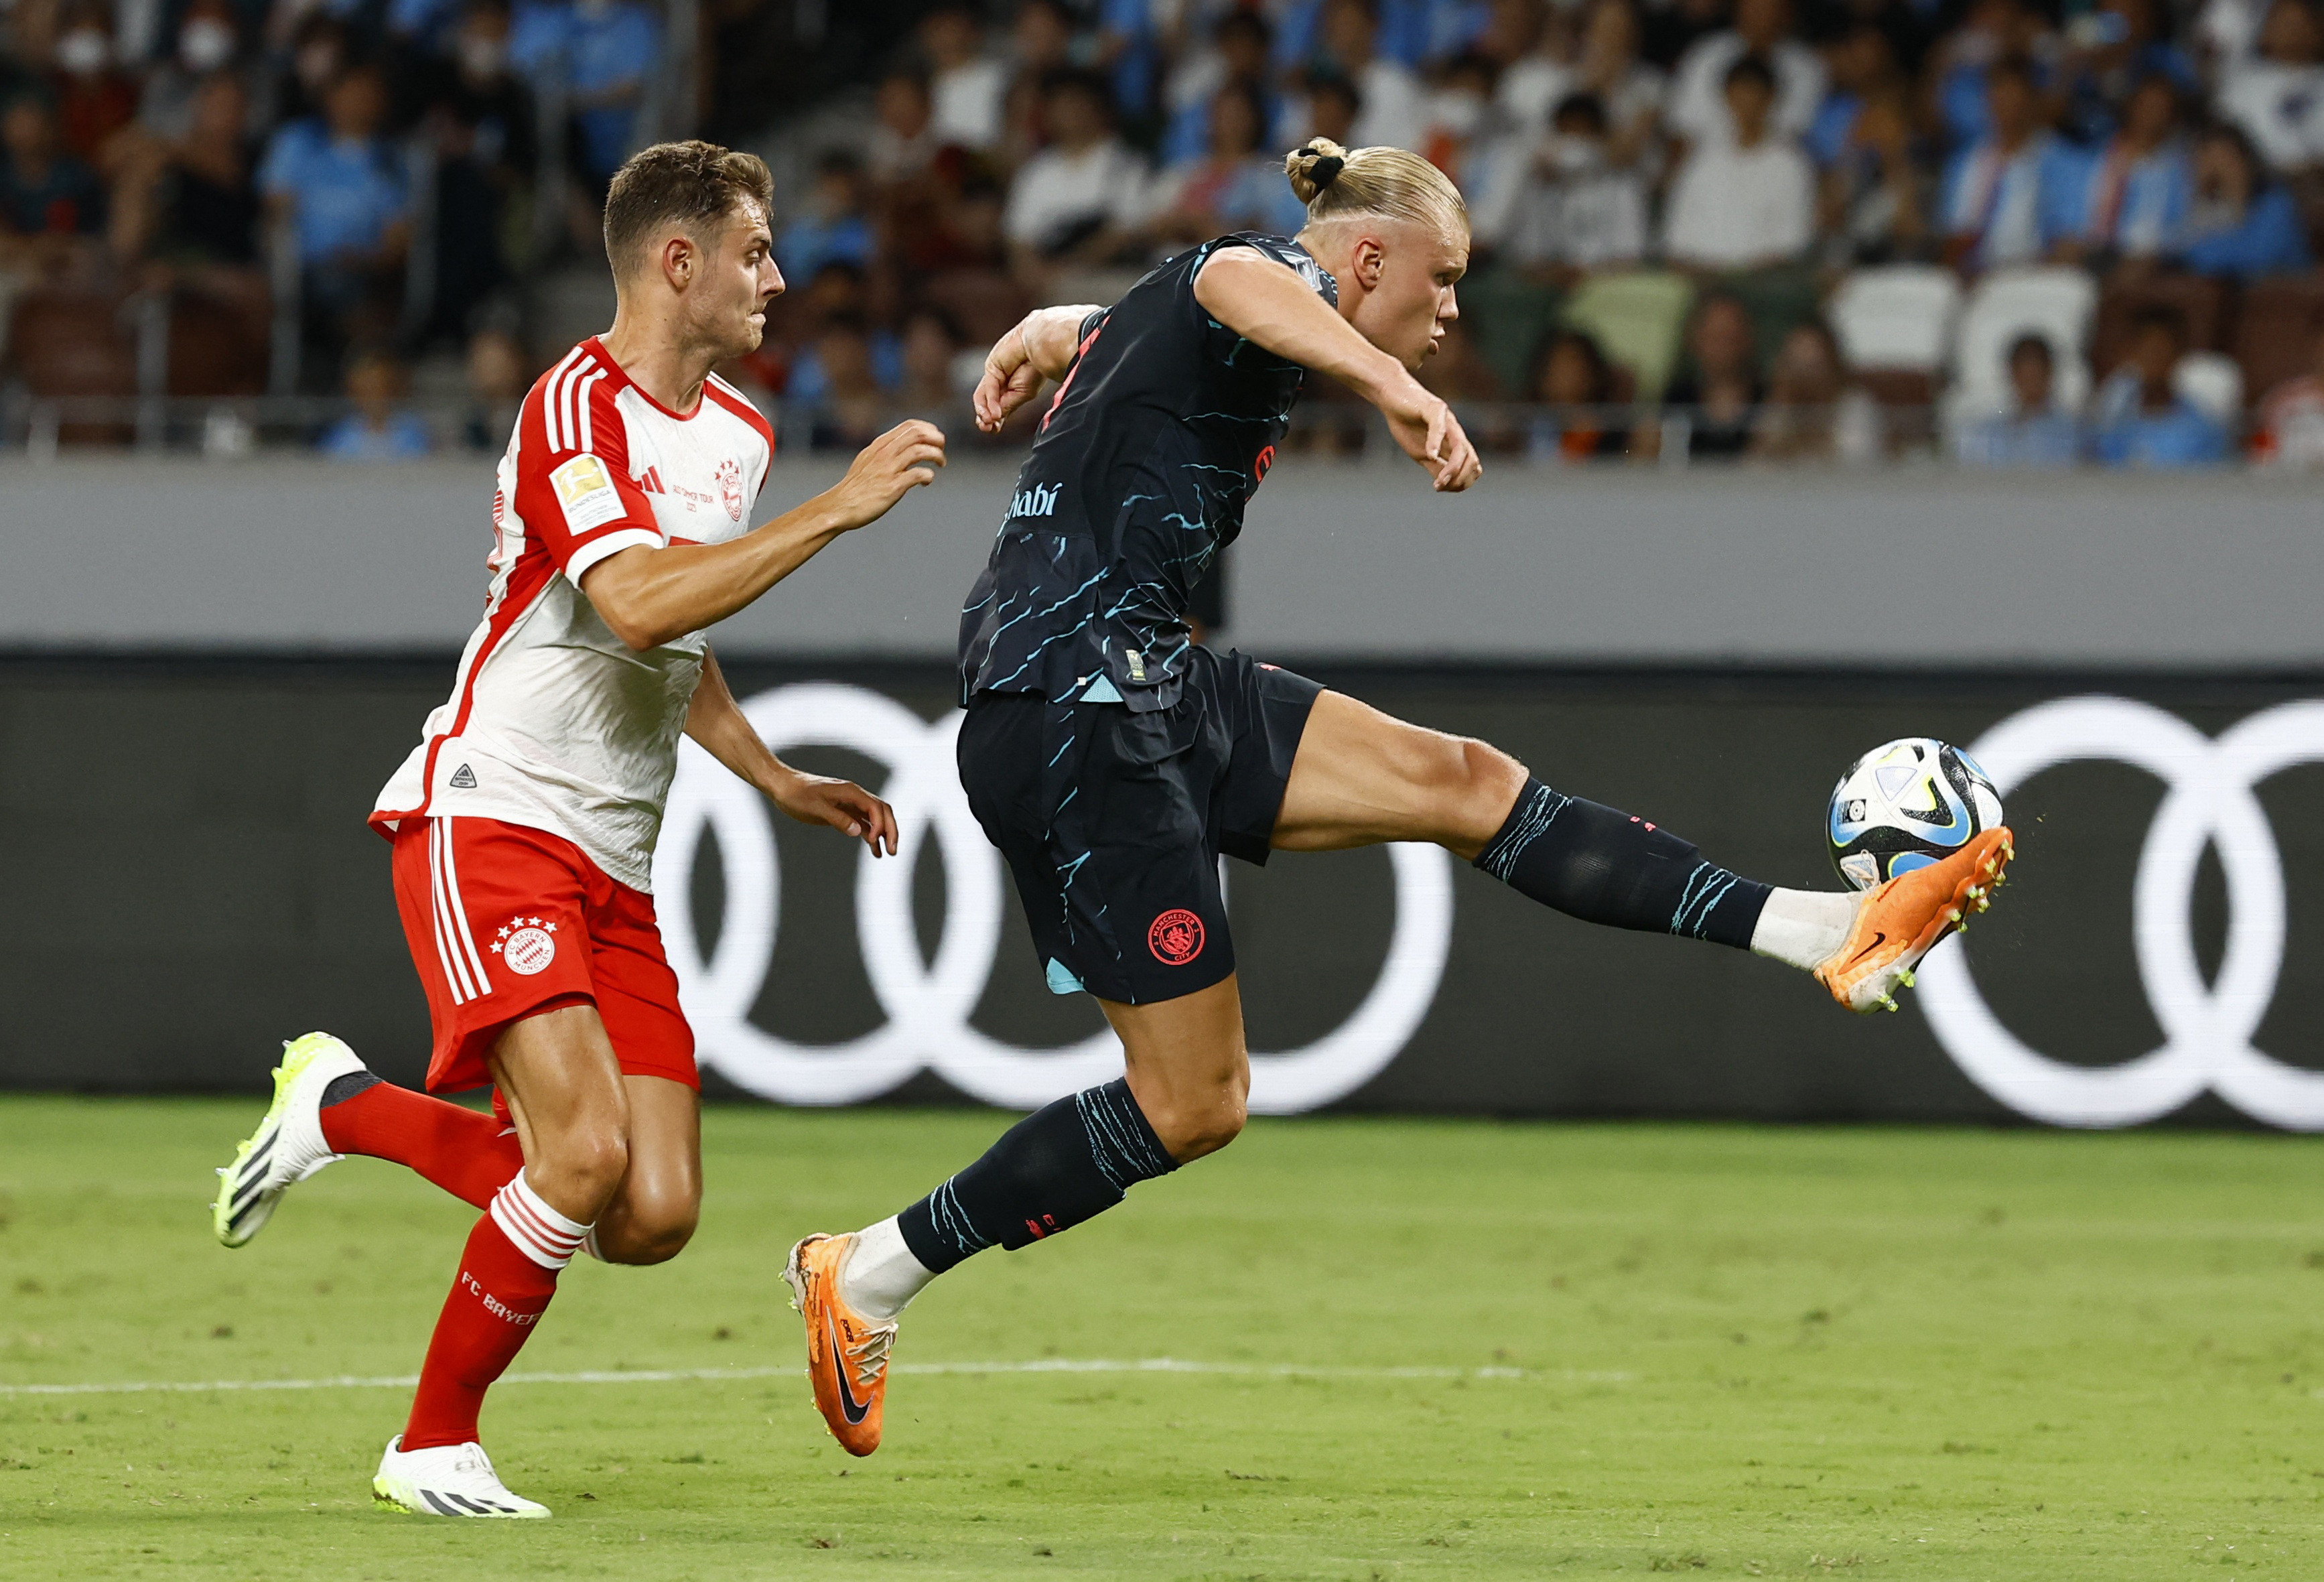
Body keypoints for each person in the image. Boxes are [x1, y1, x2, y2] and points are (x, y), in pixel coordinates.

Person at [782, 135, 2015, 1459]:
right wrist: (1388, 385)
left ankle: (1823, 932)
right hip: (1071, 702)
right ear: (1366, 257)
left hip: (1152, 684)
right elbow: (1235, 284)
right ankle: (868, 1272)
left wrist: (1050, 330)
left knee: (1464, 780)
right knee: (1194, 1104)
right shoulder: (1252, 277)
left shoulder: (1213, 313)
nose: (1452, 311)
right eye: (1443, 279)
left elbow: (1150, 318)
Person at [209, 140, 945, 1519]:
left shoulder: (738, 437)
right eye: (754, 253)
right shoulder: (572, 407)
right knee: (584, 1152)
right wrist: (840, 512)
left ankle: (344, 1108)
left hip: (616, 864)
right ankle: (432, 1444)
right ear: (679, 261)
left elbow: (681, 630)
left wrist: (772, 774)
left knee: (649, 1212)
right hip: (492, 814)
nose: (777, 279)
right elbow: (634, 603)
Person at [1660, 54, 1815, 270]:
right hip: (1701, 277)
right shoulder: (1702, 161)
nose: (1745, 104)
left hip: (1762, 280)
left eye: (1753, 94)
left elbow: (1792, 243)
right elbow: (1678, 238)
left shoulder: (1790, 165)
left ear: (1771, 97)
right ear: (1726, 97)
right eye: (1737, 95)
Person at [1939, 56, 2090, 273]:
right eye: (1998, 93)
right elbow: (1951, 236)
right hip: (1970, 277)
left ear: (2032, 100)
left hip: (2032, 276)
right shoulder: (1964, 162)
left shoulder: (2062, 162)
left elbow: (2070, 242)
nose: (2004, 104)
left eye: (2013, 95)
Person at [2088, 302, 2230, 466]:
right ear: (2132, 354)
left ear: (2178, 355)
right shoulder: (2110, 423)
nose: (2153, 362)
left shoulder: (2202, 430)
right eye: (2145, 352)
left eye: (2159, 352)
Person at [2174, 121, 2311, 277]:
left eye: (2221, 157)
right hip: (2224, 286)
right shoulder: (2209, 207)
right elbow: (2180, 243)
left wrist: (2190, 257)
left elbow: (2258, 257)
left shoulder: (2275, 201)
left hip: (2284, 285)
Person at [1955, 332, 2081, 466]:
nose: (2030, 383)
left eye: (2036, 375)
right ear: (2012, 373)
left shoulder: (2075, 432)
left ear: (2049, 373)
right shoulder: (1988, 432)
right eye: (2024, 375)